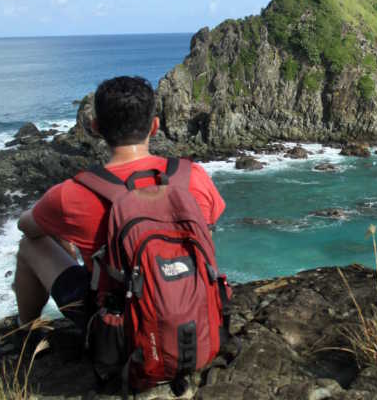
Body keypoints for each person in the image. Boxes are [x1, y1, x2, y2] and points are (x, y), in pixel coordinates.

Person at [14, 75, 225, 328]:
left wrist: (62, 232)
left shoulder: (72, 193)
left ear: (95, 127)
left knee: (29, 245)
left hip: (117, 330)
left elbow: (26, 227)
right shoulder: (193, 176)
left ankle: (25, 331)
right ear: (155, 126)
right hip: (194, 316)